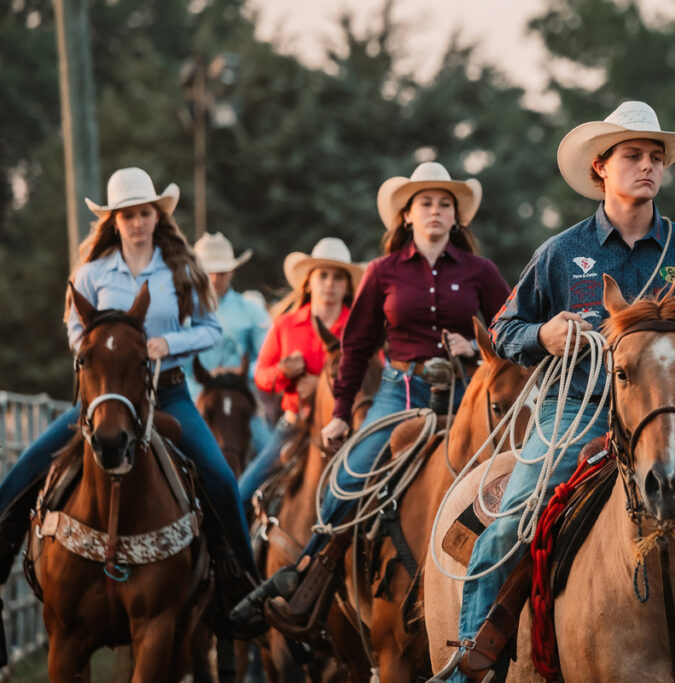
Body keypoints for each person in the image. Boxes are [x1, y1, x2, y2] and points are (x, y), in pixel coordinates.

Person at [447, 101, 675, 680]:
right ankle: (469, 663)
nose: (647, 166)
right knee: (506, 527)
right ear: (601, 166)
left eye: (655, 157)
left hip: (670, 419)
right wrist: (543, 334)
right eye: (632, 155)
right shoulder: (559, 254)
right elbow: (503, 328)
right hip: (576, 413)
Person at [0, 168, 261, 636]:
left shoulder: (181, 269)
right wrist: (103, 350)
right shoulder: (92, 273)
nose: (137, 222)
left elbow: (211, 329)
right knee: (32, 461)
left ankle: (241, 587)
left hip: (170, 393)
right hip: (106, 399)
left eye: (144, 213)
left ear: (156, 216)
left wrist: (168, 344)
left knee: (219, 474)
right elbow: (76, 333)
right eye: (128, 215)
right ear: (113, 220)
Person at [234, 161, 510, 633]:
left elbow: (511, 330)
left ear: (456, 217)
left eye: (444, 204)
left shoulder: (480, 271)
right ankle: (308, 573)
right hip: (399, 393)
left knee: (515, 476)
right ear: (407, 215)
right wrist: (341, 413)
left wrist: (479, 341)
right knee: (349, 473)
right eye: (426, 203)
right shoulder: (382, 272)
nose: (435, 211)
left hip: (465, 394)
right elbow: (357, 347)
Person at [237, 237, 363, 506]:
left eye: (338, 278)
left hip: (344, 429)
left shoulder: (358, 329)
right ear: (309, 282)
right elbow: (261, 376)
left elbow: (373, 380)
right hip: (295, 425)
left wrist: (322, 386)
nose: (330, 284)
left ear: (347, 287)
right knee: (243, 492)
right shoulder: (286, 325)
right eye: (323, 276)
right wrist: (282, 372)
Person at [190, 231, 273, 456]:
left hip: (241, 396)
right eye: (210, 272)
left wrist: (240, 372)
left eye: (222, 272)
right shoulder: (184, 311)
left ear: (232, 271)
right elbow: (181, 367)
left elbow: (267, 358)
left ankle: (272, 489)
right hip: (198, 396)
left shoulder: (251, 310)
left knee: (268, 450)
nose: (216, 278)